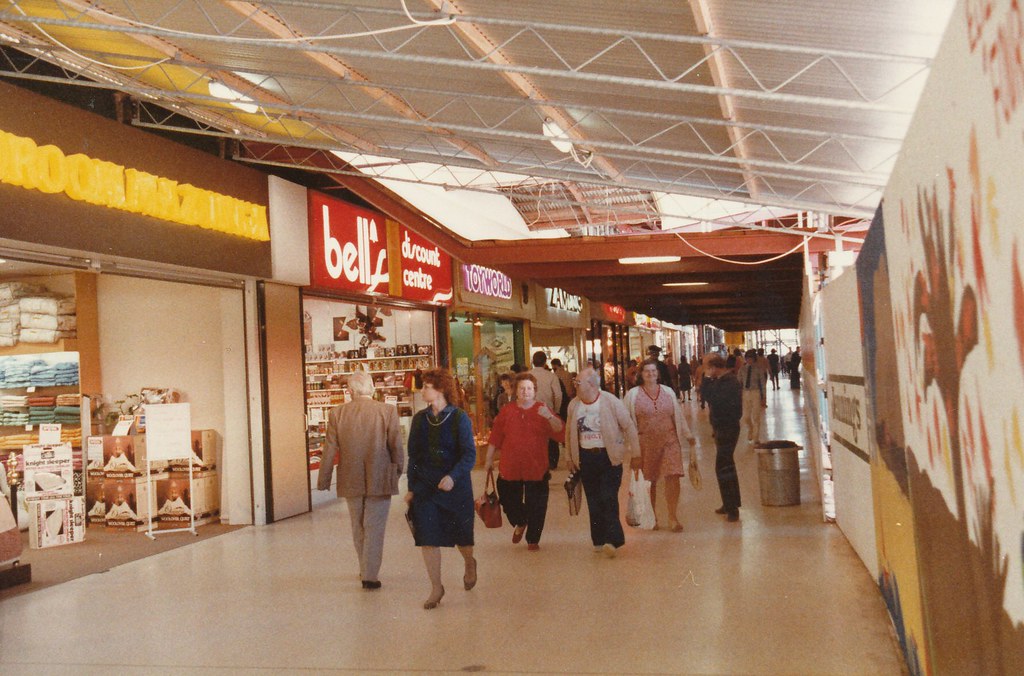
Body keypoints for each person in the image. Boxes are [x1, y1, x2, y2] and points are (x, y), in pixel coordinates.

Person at [316, 370, 404, 591]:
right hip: (380, 476)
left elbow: (329, 449)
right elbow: (396, 446)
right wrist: (398, 471)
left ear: (350, 391)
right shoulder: (387, 411)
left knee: (358, 526)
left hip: (350, 477)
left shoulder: (337, 413)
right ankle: (370, 575)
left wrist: (324, 479)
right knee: (375, 526)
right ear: (372, 388)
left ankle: (364, 568)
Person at [405, 368, 477, 609]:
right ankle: (436, 587)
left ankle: (469, 562)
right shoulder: (419, 419)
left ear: (441, 390)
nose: (422, 391)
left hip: (455, 488)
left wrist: (453, 477)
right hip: (426, 488)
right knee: (427, 537)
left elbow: (469, 454)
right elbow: (414, 457)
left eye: (426, 387)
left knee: (462, 537)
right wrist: (412, 488)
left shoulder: (459, 418)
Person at [484, 373, 565, 551]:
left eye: (529, 388)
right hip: (510, 466)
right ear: (516, 391)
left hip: (536, 466)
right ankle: (520, 522)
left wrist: (550, 417)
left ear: (534, 391)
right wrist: (488, 458)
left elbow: (560, 431)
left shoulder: (542, 409)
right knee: (508, 499)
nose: (525, 392)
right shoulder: (507, 410)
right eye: (522, 388)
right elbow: (496, 436)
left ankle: (533, 539)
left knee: (537, 504)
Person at [565, 366, 640, 558]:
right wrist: (569, 457)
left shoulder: (610, 401)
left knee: (608, 496)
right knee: (593, 499)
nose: (575, 385)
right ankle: (598, 539)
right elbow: (568, 433)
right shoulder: (574, 405)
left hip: (609, 457)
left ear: (591, 384)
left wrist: (636, 454)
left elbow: (629, 426)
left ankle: (613, 540)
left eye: (578, 382)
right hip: (586, 458)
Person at [623, 359, 696, 532]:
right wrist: (628, 448)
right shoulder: (632, 395)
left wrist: (688, 435)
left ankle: (672, 517)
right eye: (647, 371)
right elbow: (625, 422)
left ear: (658, 373)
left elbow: (678, 415)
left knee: (673, 476)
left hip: (670, 440)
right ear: (641, 374)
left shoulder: (668, 391)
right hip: (645, 444)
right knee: (650, 480)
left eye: (653, 371)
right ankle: (652, 516)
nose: (651, 374)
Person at [701, 355, 743, 522]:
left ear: (714, 367)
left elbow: (710, 397)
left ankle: (732, 508)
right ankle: (729, 503)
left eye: (708, 368)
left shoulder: (729, 382)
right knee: (726, 466)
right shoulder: (724, 381)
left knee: (723, 467)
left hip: (727, 428)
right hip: (724, 428)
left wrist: (706, 379)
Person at [528, 351, 563, 469]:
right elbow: (558, 395)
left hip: (530, 410)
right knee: (551, 436)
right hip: (548, 409)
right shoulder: (551, 376)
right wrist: (556, 409)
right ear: (545, 362)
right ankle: (552, 461)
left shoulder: (527, 376)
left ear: (532, 361)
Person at [739, 349, 767, 444]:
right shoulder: (742, 369)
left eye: (751, 358)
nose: (749, 360)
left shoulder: (759, 369)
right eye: (747, 358)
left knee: (756, 416)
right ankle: (750, 428)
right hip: (745, 393)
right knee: (746, 416)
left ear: (754, 359)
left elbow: (762, 383)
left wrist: (764, 397)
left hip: (756, 392)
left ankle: (756, 437)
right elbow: (739, 382)